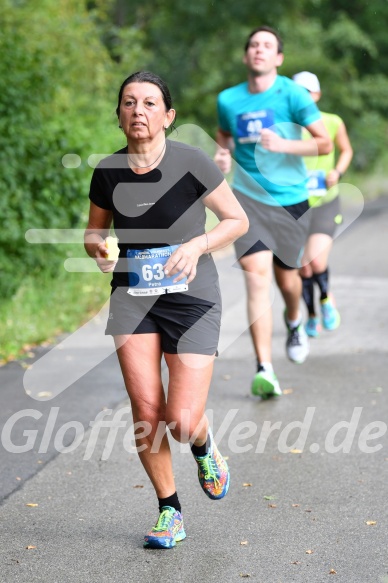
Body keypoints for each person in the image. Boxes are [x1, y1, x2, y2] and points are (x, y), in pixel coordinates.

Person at [84, 71, 248, 549]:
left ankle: (202, 444)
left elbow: (237, 221)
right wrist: (99, 248)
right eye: (129, 103)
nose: (139, 111)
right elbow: (94, 231)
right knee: (146, 410)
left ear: (168, 116)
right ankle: (169, 511)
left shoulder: (192, 162)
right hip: (132, 296)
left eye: (150, 103)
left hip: (192, 297)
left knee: (180, 417)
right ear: (119, 115)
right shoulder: (108, 170)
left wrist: (197, 245)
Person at [215, 26, 332, 399]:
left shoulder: (293, 94)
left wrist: (284, 144)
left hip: (290, 199)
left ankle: (295, 319)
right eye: (253, 45)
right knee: (256, 277)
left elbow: (323, 142)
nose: (259, 50)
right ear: (245, 55)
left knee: (288, 280)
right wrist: (222, 156)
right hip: (247, 200)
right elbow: (225, 141)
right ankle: (264, 367)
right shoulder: (228, 99)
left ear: (278, 58)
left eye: (267, 45)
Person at [292, 71, 353, 337]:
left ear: (316, 95)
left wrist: (337, 172)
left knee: (315, 261)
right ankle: (312, 315)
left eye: (307, 92)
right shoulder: (285, 128)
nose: (302, 97)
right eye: (297, 92)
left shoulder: (331, 121)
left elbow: (346, 150)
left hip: (325, 202)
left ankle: (327, 299)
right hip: (295, 205)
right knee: (302, 266)